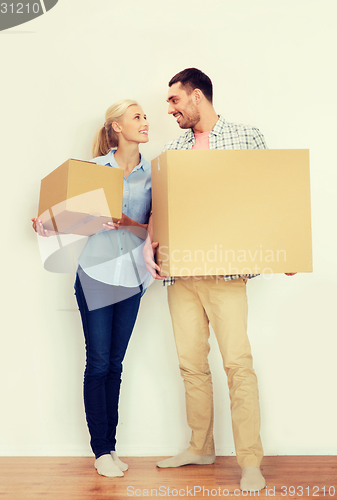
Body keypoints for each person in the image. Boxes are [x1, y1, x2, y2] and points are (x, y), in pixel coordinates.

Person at [144, 68, 295, 491]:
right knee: (191, 365)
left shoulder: (246, 136)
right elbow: (161, 207)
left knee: (237, 365)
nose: (170, 109)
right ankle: (200, 446)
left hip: (226, 273)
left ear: (196, 97)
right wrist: (148, 243)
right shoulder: (173, 148)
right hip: (181, 274)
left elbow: (272, 194)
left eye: (175, 101)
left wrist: (285, 247)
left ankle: (250, 461)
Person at [33, 100, 151, 478]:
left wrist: (127, 220)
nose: (145, 122)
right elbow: (62, 221)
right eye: (137, 117)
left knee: (116, 365)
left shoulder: (154, 174)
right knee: (98, 362)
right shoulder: (92, 171)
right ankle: (100, 450)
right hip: (96, 276)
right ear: (116, 127)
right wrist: (45, 225)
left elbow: (156, 228)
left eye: (145, 116)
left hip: (133, 279)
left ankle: (111, 447)